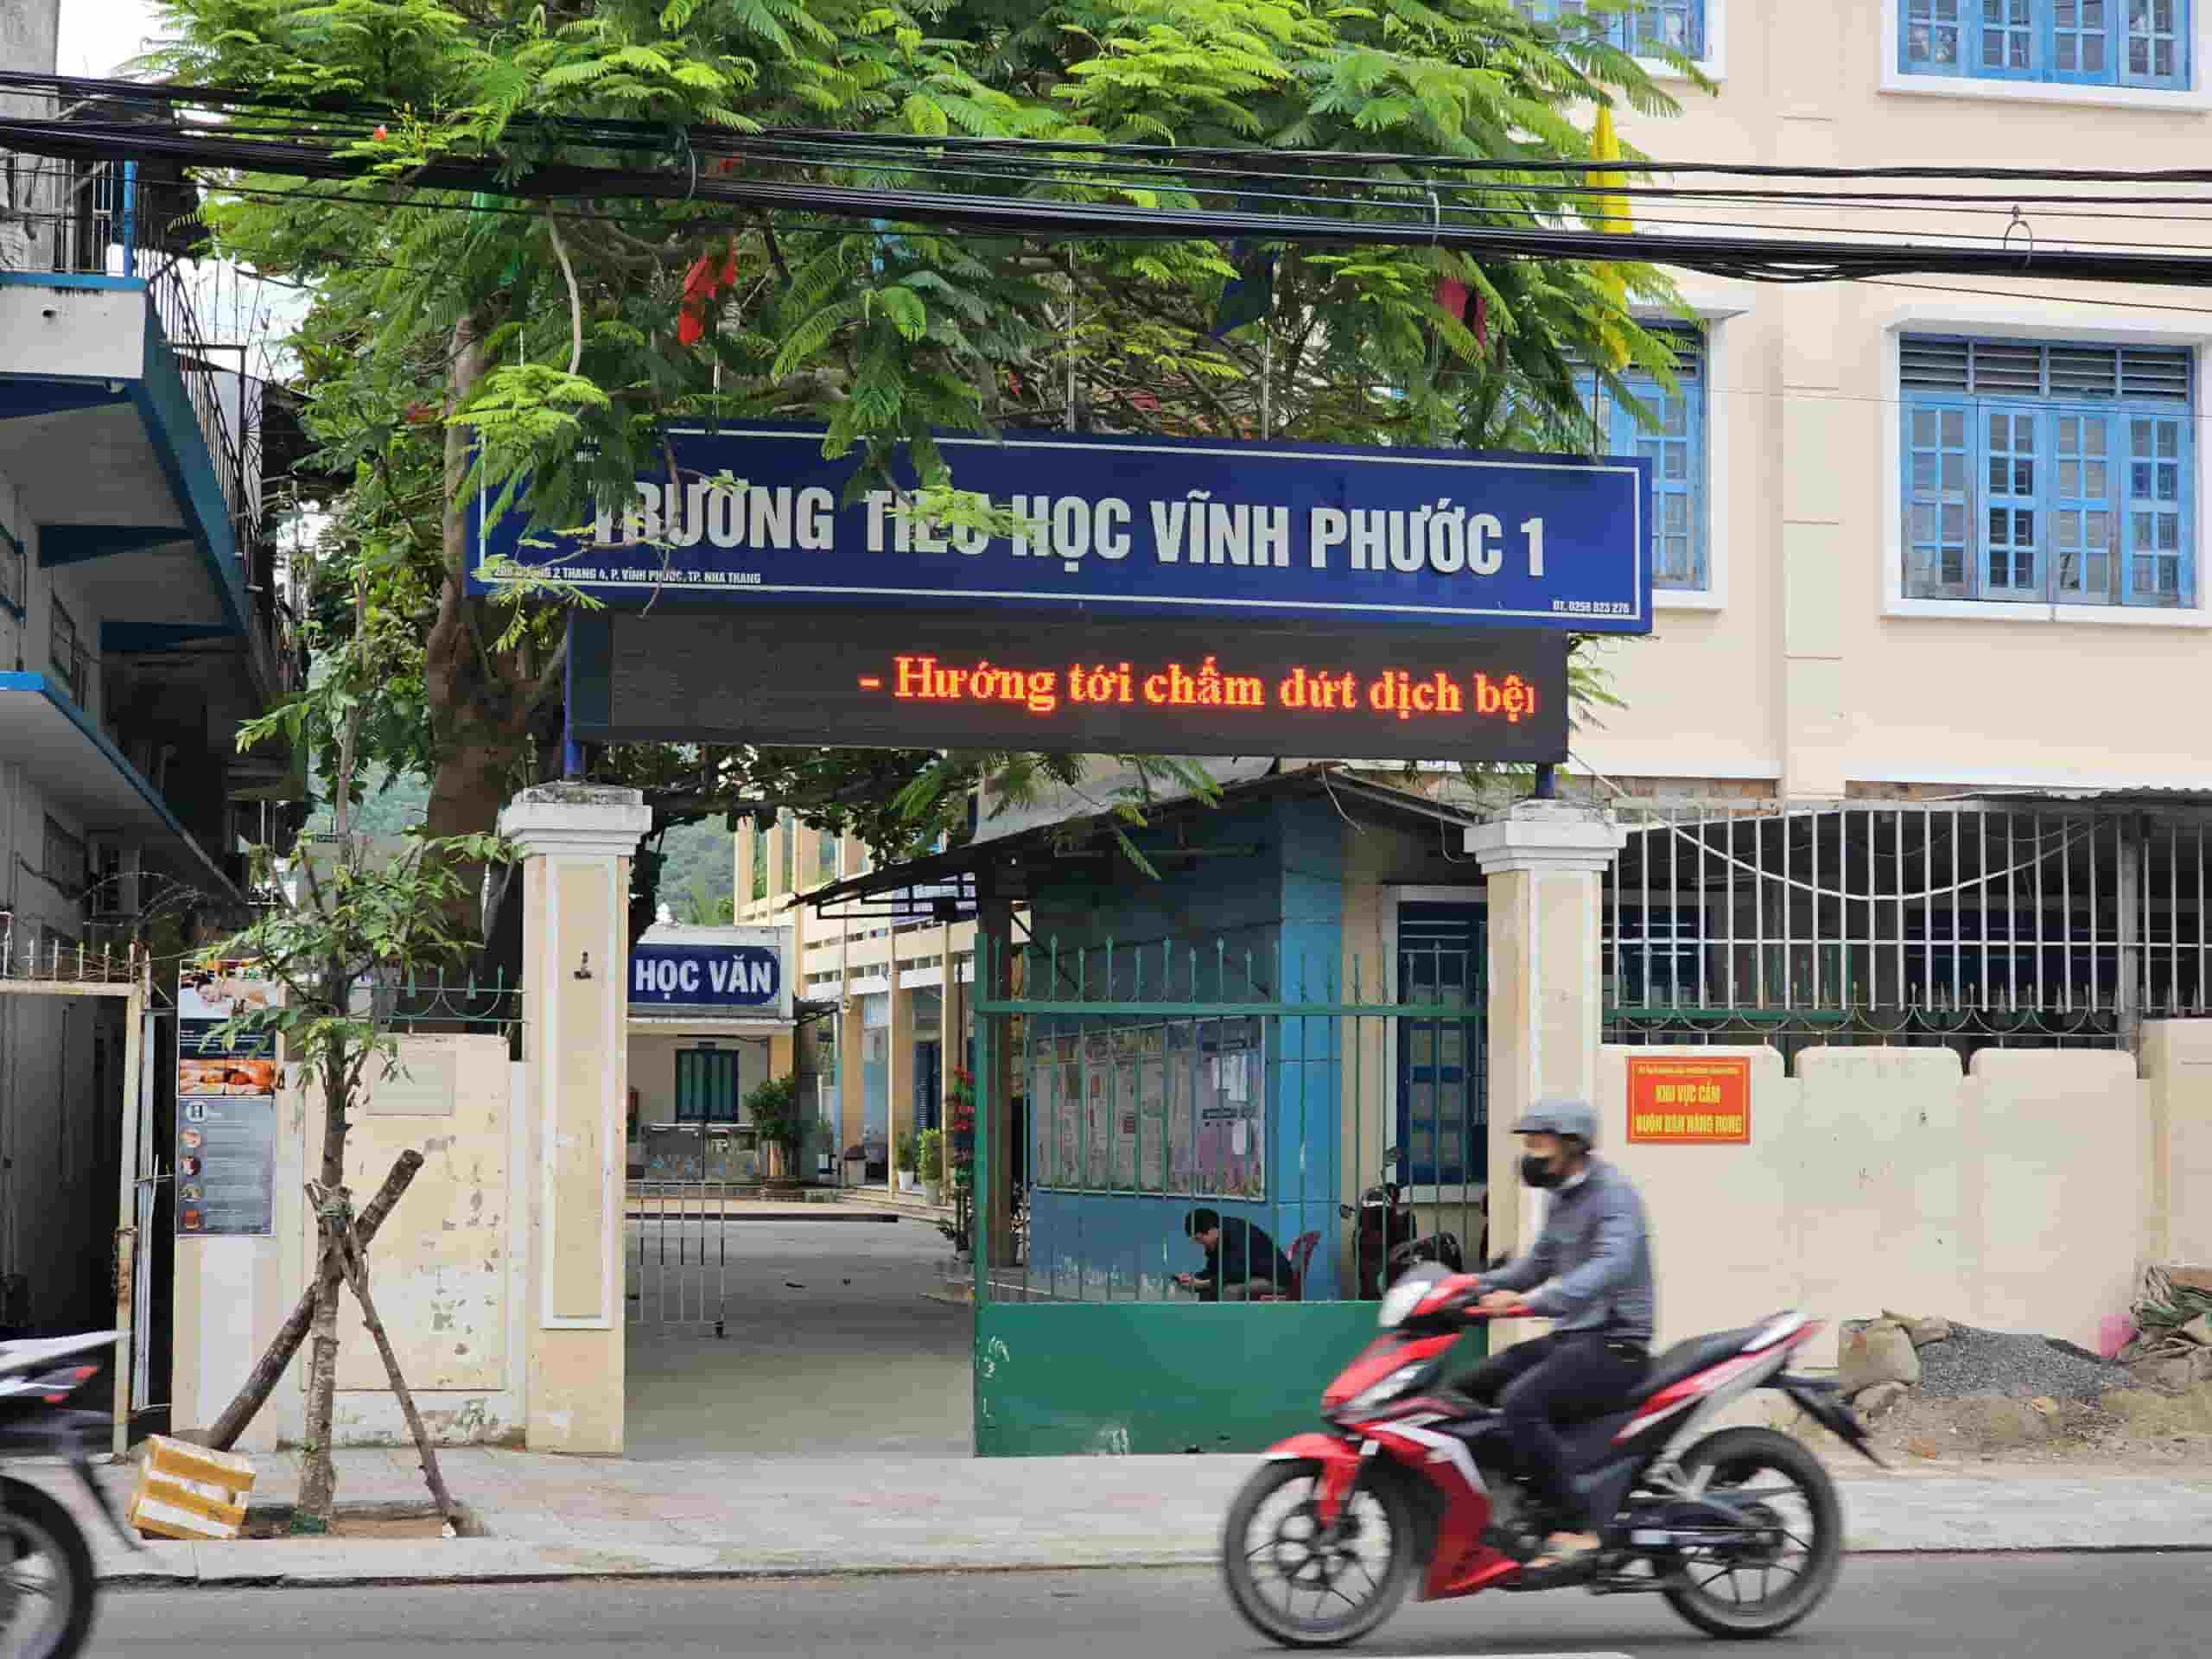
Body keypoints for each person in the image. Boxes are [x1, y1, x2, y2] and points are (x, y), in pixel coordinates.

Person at [1452, 1097, 1655, 1580]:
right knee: (1467, 1388)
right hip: (1573, 1338)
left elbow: (1610, 1267)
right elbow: (1536, 1264)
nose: (1530, 1153)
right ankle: (1507, 1508)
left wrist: (1533, 1303)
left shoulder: (1614, 1195)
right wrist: (1470, 1288)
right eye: (1527, 1143)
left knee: (1522, 1402)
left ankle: (1577, 1527)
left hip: (1615, 1343)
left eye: (1538, 1143)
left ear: (1572, 1146)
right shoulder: (1561, 1197)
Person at [1174, 1207, 1294, 1301]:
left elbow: (1237, 1274)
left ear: (1211, 1231)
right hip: (1251, 1276)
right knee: (1210, 1288)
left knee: (1230, 1290)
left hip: (1275, 1280)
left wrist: (1203, 1283)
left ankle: (1229, 1330)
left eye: (1199, 1239)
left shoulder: (1237, 1234)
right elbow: (1214, 1270)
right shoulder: (1216, 1238)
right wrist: (1194, 1278)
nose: (1199, 1243)